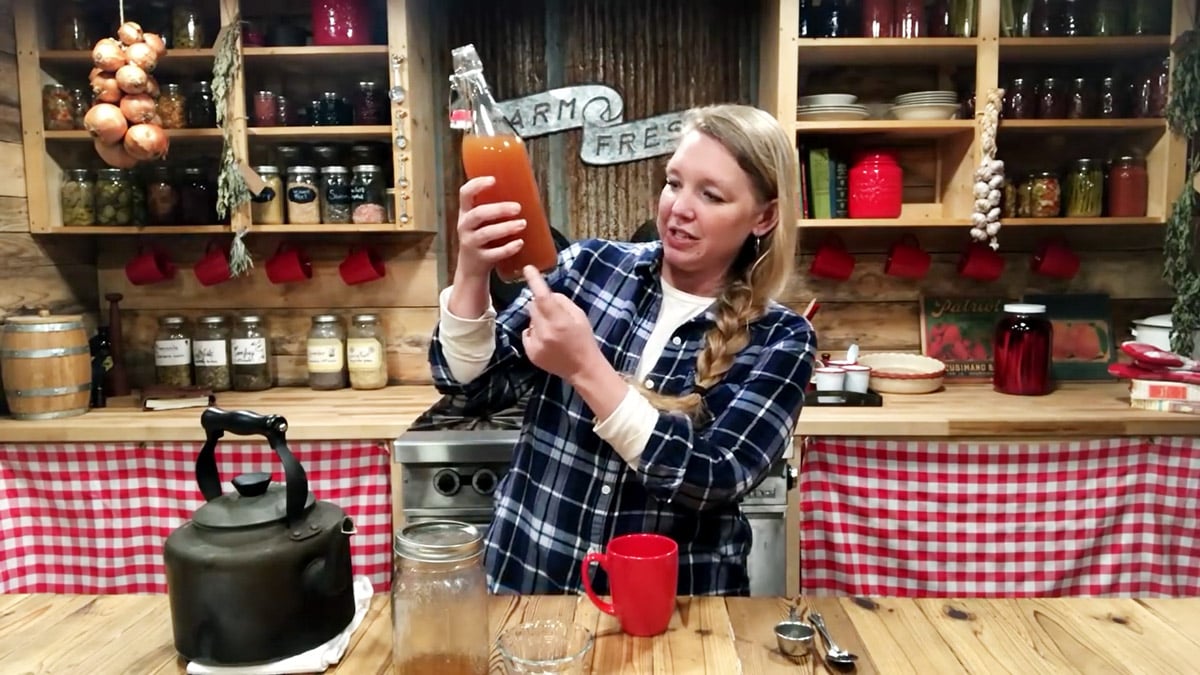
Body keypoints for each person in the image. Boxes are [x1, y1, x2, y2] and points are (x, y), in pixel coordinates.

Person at [429, 103, 817, 595]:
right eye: (674, 183)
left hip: (677, 614)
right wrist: (471, 269)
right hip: (529, 585)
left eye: (712, 195)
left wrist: (586, 367)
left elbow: (716, 476)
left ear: (764, 217)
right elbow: (468, 386)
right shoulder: (588, 268)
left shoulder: (782, 337)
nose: (679, 208)